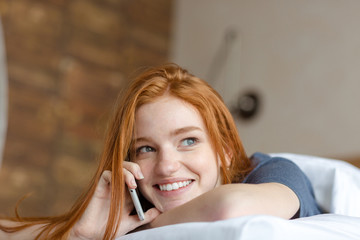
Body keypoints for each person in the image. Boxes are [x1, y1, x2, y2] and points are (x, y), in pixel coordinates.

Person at [0, 63, 322, 240]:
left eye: (189, 141)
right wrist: (81, 233)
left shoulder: (272, 172)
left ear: (224, 150)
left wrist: (144, 225)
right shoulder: (139, 201)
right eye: (146, 149)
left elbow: (227, 208)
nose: (167, 166)